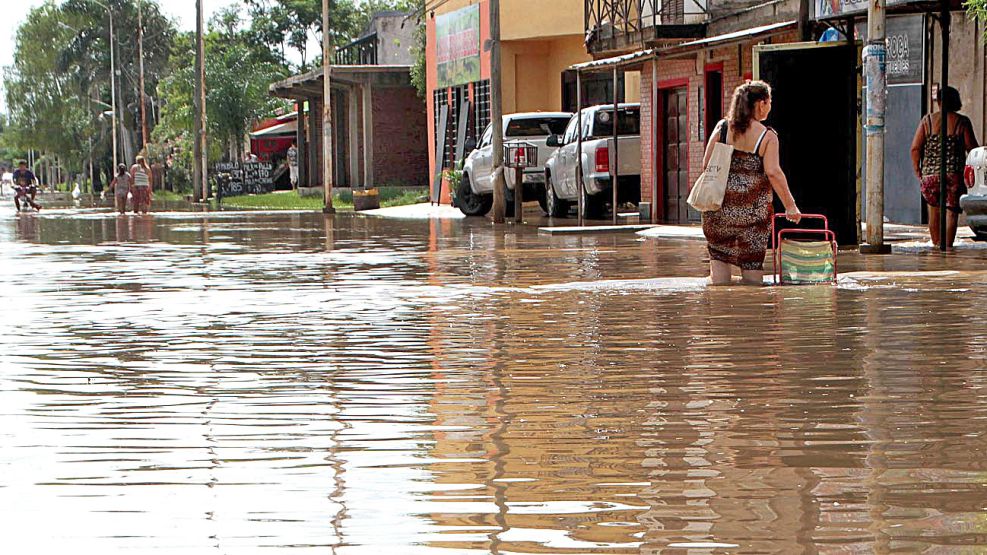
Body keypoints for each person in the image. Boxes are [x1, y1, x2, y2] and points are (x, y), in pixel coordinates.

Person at [699, 81, 801, 286]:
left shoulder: (723, 127)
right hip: (753, 215)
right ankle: (753, 313)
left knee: (719, 261)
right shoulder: (768, 136)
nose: (770, 106)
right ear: (761, 104)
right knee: (752, 265)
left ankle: (720, 312)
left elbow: (706, 165)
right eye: (769, 101)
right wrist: (791, 205)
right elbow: (773, 172)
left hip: (718, 209)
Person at [910, 86, 979, 249]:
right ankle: (947, 248)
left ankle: (936, 247)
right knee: (951, 211)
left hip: (930, 176)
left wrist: (919, 171)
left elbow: (915, 148)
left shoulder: (927, 121)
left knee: (934, 210)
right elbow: (972, 148)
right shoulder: (962, 122)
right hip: (953, 174)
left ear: (939, 102)